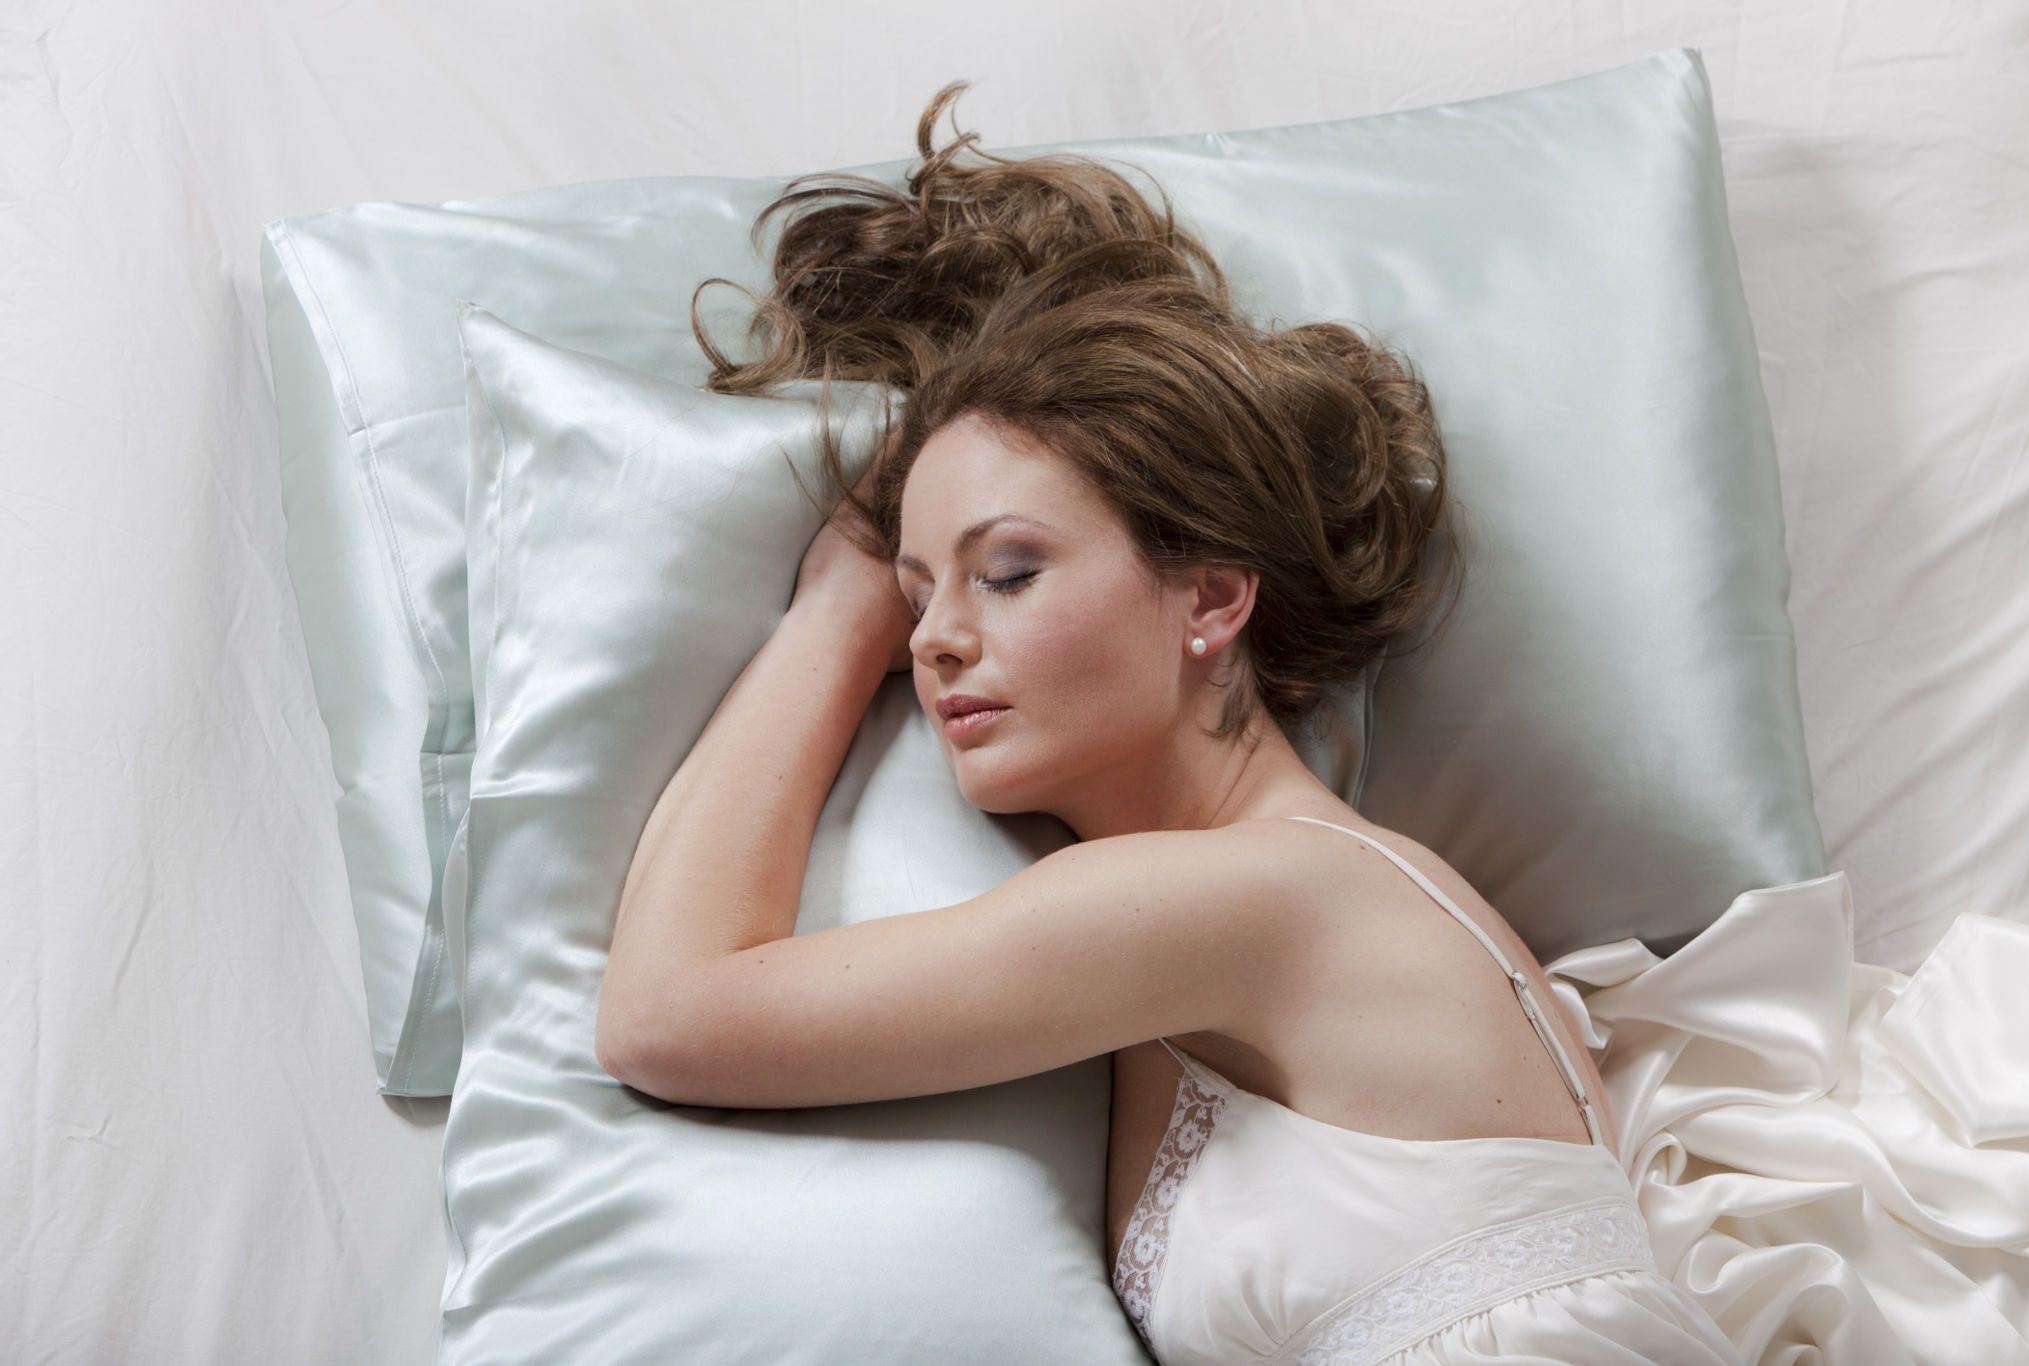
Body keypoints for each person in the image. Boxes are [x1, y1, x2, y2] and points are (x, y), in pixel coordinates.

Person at [596, 82, 1743, 1363]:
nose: (929, 639)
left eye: (1008, 571)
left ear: (1206, 597)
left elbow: (667, 1015)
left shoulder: (1245, 898)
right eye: (911, 592)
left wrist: (828, 611)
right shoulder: (1274, 897)